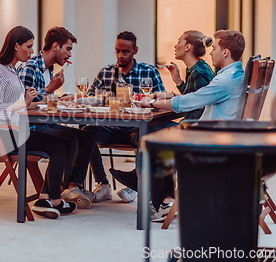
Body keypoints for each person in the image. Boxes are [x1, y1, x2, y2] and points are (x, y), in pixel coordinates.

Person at [141, 29, 245, 219]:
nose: (210, 52)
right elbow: (195, 96)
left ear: (225, 52)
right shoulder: (236, 74)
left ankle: (162, 202)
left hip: (211, 138)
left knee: (153, 143)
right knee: (157, 135)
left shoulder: (226, 80)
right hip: (219, 134)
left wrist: (152, 103)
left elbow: (191, 101)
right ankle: (165, 200)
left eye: (214, 48)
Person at [0, 26, 77, 219]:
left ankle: (48, 199)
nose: (32, 51)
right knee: (59, 144)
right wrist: (24, 103)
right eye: (29, 46)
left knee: (64, 142)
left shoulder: (12, 70)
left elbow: (21, 107)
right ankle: (53, 200)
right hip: (2, 135)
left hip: (16, 130)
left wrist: (36, 103)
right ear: (16, 46)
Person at [18, 27, 107, 207]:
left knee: (87, 136)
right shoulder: (30, 67)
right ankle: (55, 193)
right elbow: (23, 103)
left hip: (46, 124)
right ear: (56, 46)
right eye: (68, 49)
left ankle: (72, 186)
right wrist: (50, 90)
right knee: (69, 139)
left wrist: (58, 99)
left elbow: (42, 100)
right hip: (31, 128)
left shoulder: (48, 69)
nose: (70, 55)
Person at [83, 31, 165, 203]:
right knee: (85, 133)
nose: (121, 55)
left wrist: (146, 101)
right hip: (110, 128)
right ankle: (103, 184)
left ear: (135, 50)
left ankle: (135, 184)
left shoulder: (148, 71)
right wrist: (103, 99)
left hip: (134, 128)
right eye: (117, 51)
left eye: (126, 51)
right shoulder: (106, 72)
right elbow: (90, 98)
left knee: (147, 136)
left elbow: (160, 99)